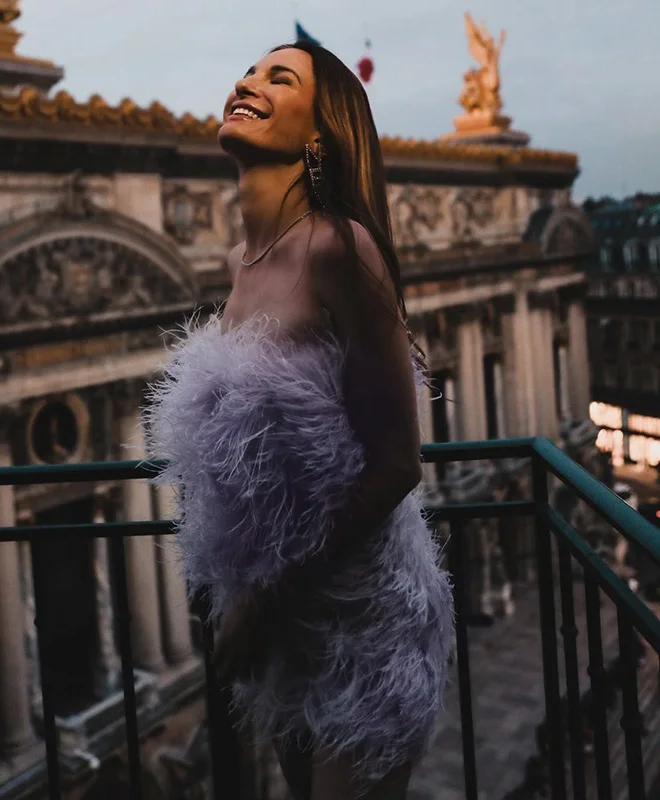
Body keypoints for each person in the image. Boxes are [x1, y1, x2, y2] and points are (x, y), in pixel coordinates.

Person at [144, 41, 454, 800]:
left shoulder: (341, 249)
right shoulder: (240, 261)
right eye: (249, 72)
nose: (247, 82)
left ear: (320, 135)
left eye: (279, 79)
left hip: (361, 617)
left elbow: (397, 464)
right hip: (285, 623)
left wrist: (262, 601)